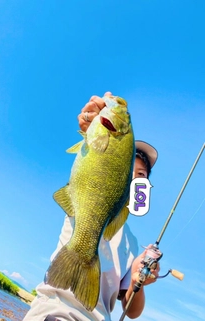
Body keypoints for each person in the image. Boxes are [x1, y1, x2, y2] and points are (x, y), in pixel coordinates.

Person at [23, 93, 159, 321]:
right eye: (129, 171)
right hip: (52, 312)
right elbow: (93, 147)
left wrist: (138, 280)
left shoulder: (133, 244)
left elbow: (131, 311)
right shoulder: (81, 208)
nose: (133, 178)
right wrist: (91, 121)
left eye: (141, 175)